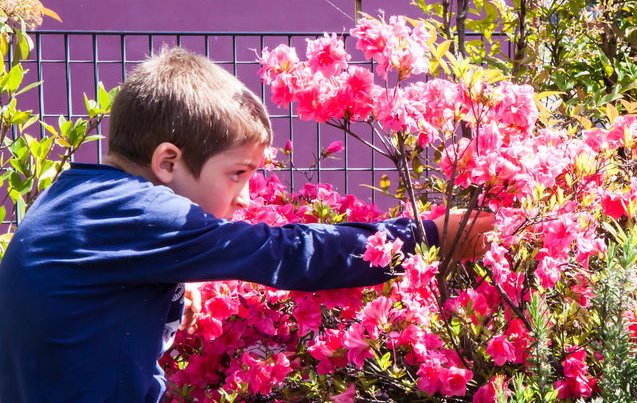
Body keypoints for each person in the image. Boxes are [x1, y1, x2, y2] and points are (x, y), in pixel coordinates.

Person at [0, 47, 491, 402]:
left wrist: (169, 278)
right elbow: (284, 251)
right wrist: (427, 237)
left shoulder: (74, 196)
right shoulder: (146, 216)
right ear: (167, 161)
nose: (246, 195)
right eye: (237, 173)